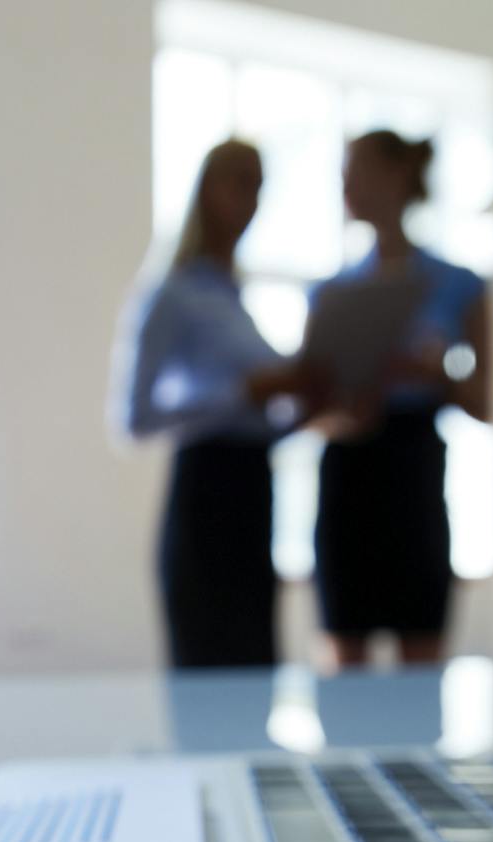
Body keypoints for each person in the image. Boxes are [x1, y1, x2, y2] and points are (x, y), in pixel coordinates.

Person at [116, 139, 312, 669]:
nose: (251, 199)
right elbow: (132, 420)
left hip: (253, 495)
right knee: (208, 668)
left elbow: (260, 423)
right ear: (206, 189)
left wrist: (306, 408)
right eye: (240, 181)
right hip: (205, 498)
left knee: (254, 668)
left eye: (259, 185)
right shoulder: (173, 292)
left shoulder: (234, 297)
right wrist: (241, 394)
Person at [309, 130, 493, 669]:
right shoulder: (331, 291)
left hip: (414, 472)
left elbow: (486, 404)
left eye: (355, 169)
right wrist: (348, 406)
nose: (346, 185)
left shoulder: (460, 284)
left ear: (395, 177)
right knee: (345, 661)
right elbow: (307, 412)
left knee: (421, 655)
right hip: (348, 472)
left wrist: (437, 372)